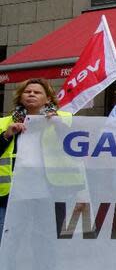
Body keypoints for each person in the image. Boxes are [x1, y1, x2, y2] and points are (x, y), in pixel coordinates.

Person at [0, 78, 70, 242]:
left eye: (37, 92)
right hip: (10, 194)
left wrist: (58, 125)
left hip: (50, 193)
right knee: (6, 242)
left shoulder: (63, 119)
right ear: (20, 96)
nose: (31, 94)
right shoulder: (4, 123)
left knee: (45, 243)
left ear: (48, 99)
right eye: (27, 91)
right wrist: (7, 135)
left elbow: (76, 148)